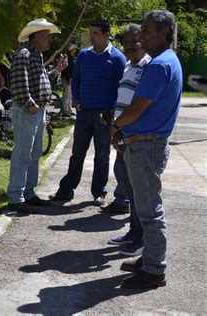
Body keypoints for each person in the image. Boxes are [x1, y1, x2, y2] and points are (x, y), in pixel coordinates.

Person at [111, 10, 182, 289]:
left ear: (164, 33)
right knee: (145, 208)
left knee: (150, 212)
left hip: (146, 147)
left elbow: (138, 107)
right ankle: (149, 258)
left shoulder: (158, 65)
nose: (141, 36)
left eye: (147, 31)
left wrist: (117, 126)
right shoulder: (168, 61)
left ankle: (154, 270)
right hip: (148, 144)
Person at [50, 18, 126, 206]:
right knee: (77, 153)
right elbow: (76, 81)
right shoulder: (83, 56)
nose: (91, 37)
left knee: (102, 155)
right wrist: (76, 100)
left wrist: (112, 113)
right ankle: (66, 190)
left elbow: (121, 89)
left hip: (104, 116)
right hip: (84, 113)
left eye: (96, 33)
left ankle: (98, 193)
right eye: (90, 33)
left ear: (107, 35)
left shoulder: (117, 58)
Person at [6, 18, 68, 213]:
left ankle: (28, 194)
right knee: (23, 154)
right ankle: (16, 197)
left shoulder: (36, 55)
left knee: (33, 154)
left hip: (36, 111)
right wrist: (29, 104)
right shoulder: (24, 54)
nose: (50, 40)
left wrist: (57, 71)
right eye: (47, 36)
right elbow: (17, 83)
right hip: (28, 111)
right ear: (37, 36)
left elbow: (41, 80)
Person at [103, 24, 151, 258]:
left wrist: (121, 129)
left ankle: (141, 240)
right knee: (130, 190)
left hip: (135, 136)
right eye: (127, 42)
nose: (130, 46)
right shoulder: (127, 66)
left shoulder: (150, 67)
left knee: (141, 194)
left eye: (135, 41)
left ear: (144, 41)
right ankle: (133, 233)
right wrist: (116, 132)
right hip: (122, 135)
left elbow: (140, 107)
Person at [60, 44, 78, 117]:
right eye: (74, 49)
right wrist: (68, 78)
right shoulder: (66, 57)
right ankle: (64, 111)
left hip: (71, 78)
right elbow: (67, 70)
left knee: (70, 96)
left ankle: (69, 110)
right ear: (71, 49)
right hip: (67, 78)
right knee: (66, 95)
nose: (75, 51)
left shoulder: (72, 57)